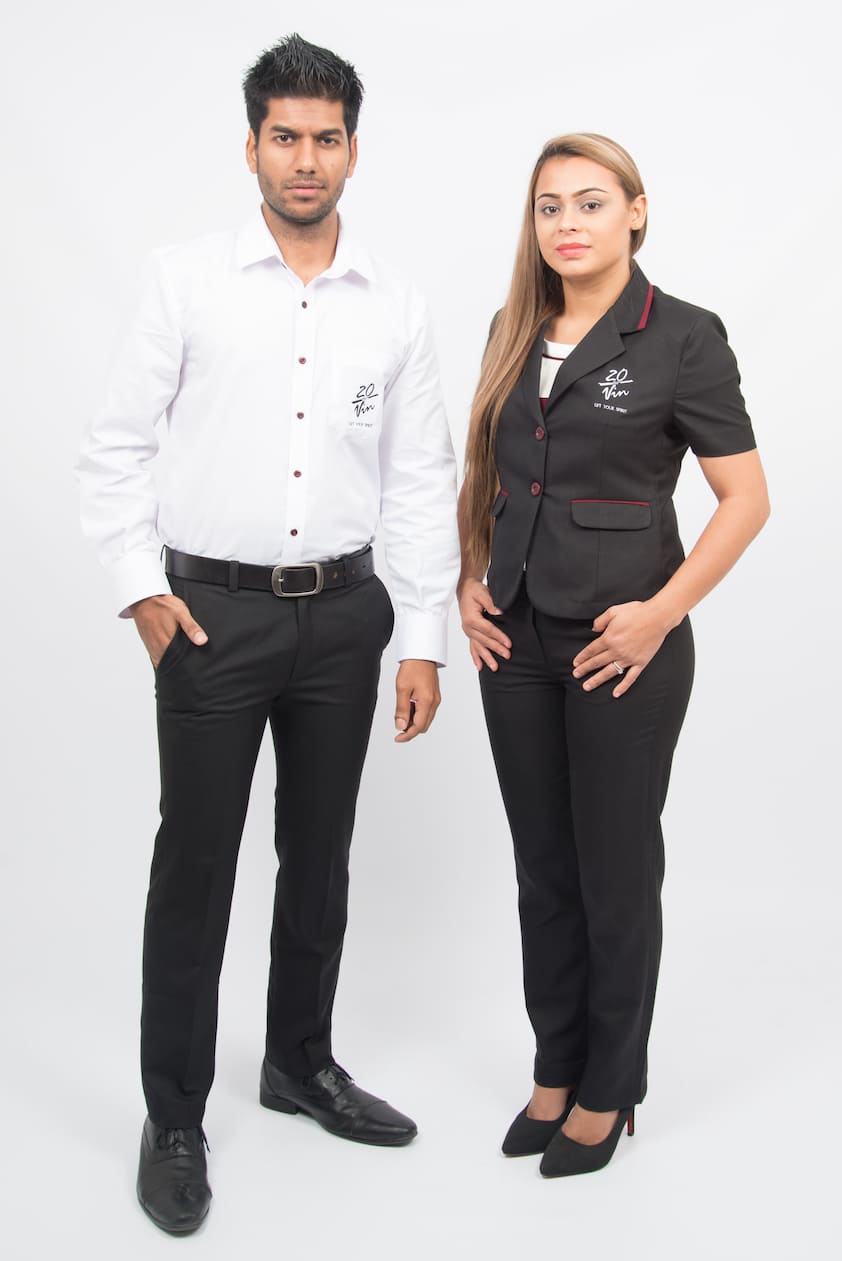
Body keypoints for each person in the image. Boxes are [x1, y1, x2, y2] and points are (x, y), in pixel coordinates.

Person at [78, 34, 459, 1234]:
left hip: (344, 616)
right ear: (249, 147)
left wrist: (420, 635)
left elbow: (419, 479)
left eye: (325, 138)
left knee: (320, 855)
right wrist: (144, 593)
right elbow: (115, 449)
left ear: (353, 150)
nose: (305, 159)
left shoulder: (393, 304)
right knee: (194, 868)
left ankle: (298, 1061)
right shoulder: (185, 281)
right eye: (284, 137)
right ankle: (174, 1117)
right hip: (211, 617)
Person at [457, 133, 769, 1178]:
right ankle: (555, 1068)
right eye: (549, 206)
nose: (568, 224)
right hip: (514, 639)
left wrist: (660, 614)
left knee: (614, 871)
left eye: (591, 202)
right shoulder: (512, 326)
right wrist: (469, 575)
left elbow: (745, 499)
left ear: (636, 211)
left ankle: (609, 1085)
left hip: (619, 648)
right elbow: (490, 471)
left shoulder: (681, 335)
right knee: (543, 869)